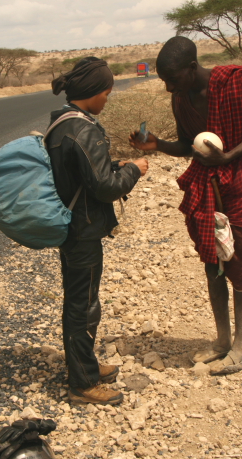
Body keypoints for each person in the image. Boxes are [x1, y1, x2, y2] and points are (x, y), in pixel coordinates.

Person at [130, 37, 242, 375]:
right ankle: (222, 340)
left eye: (174, 79)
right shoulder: (181, 100)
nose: (169, 88)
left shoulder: (234, 83)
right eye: (164, 81)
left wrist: (229, 156)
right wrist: (158, 145)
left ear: (192, 68)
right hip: (205, 182)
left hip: (239, 180)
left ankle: (241, 345)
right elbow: (188, 144)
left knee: (237, 261)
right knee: (213, 262)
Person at [48, 57, 148, 404]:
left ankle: (85, 364)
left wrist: (116, 164)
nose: (108, 98)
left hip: (71, 228)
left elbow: (84, 174)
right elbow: (105, 188)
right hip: (83, 232)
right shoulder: (83, 128)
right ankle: (84, 384)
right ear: (91, 92)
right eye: (106, 92)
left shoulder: (62, 122)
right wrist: (134, 169)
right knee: (83, 306)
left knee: (79, 300)